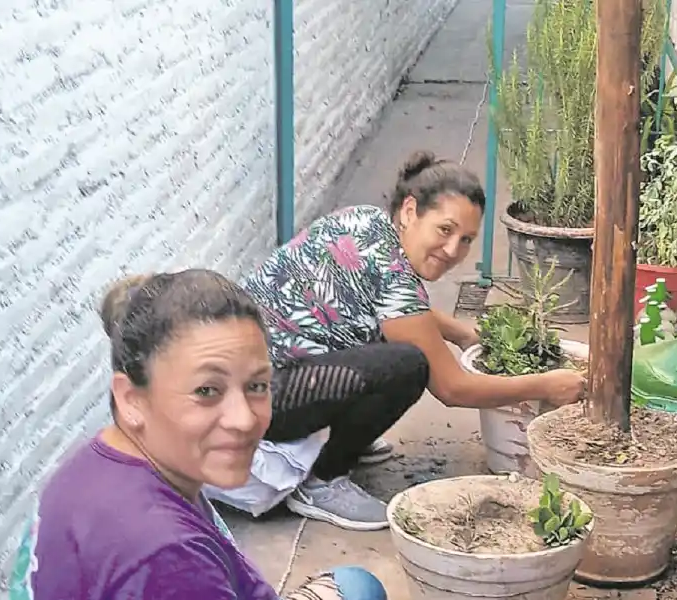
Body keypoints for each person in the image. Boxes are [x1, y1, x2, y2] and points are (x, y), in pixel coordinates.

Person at [210, 151, 586, 532]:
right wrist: (545, 386)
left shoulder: (368, 222)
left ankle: (347, 435)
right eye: (445, 230)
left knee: (388, 349)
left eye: (466, 240)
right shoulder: (393, 273)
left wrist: (460, 333)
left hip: (239, 378)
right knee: (408, 367)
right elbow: (452, 388)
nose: (453, 250)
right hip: (260, 401)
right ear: (409, 211)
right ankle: (322, 480)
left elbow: (398, 307)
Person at [7, 269, 387, 600]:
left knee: (355, 583)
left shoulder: (101, 461)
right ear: (131, 399)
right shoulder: (165, 555)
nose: (244, 419)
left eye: (257, 386)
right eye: (206, 390)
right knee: (358, 588)